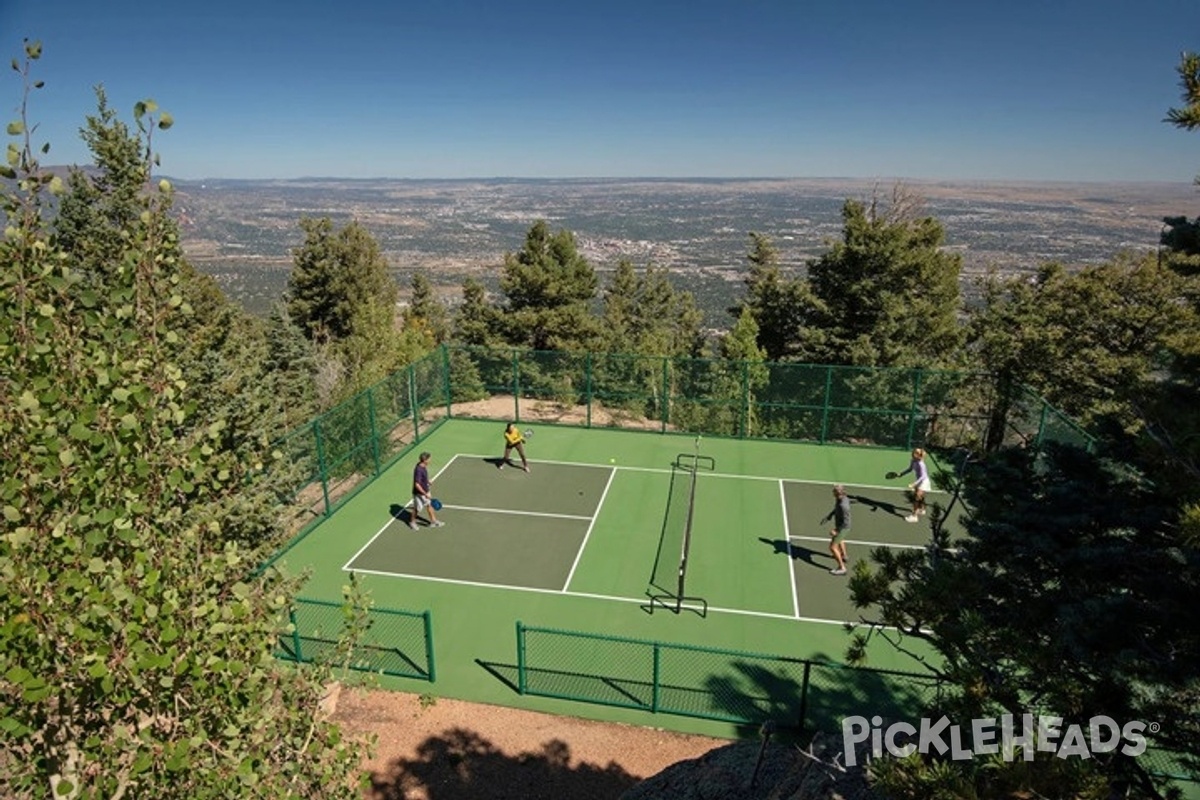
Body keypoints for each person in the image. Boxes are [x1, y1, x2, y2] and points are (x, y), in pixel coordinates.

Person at [894, 447, 930, 523]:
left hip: (923, 481)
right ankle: (922, 509)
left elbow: (923, 476)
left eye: (915, 452)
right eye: (913, 451)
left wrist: (914, 484)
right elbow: (910, 469)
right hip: (919, 481)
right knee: (920, 496)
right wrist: (901, 474)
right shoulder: (913, 461)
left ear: (918, 455)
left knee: (916, 498)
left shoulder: (921, 464)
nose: (913, 453)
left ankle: (914, 516)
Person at [410, 451, 444, 530]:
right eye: (429, 459)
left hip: (426, 490)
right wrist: (425, 494)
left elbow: (423, 478)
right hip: (419, 493)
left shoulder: (423, 466)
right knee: (417, 508)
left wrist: (427, 481)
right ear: (425, 460)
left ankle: (433, 521)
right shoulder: (419, 470)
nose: (430, 460)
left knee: (429, 505)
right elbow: (417, 485)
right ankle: (412, 522)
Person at [822, 484, 852, 575]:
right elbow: (836, 508)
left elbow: (845, 523)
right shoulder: (841, 498)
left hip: (843, 527)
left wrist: (836, 531)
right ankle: (844, 556)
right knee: (840, 540)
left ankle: (842, 568)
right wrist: (830, 515)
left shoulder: (843, 506)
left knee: (833, 547)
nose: (832, 492)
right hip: (842, 527)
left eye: (834, 491)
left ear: (837, 492)